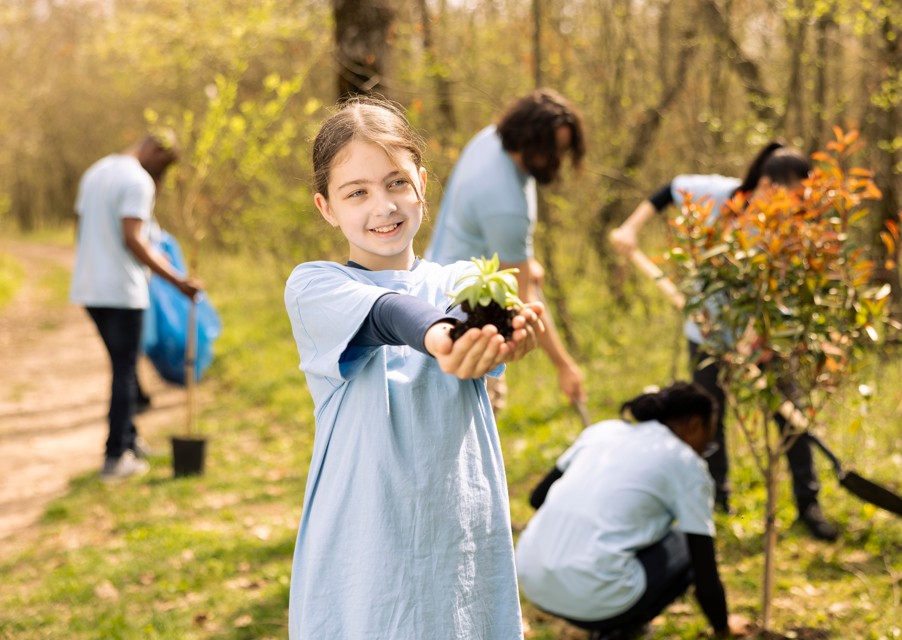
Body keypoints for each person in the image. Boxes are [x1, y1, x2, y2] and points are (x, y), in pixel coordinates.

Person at [283, 97, 546, 639]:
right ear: (326, 207)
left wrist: (511, 335)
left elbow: (478, 312)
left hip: (459, 540)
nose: (383, 206)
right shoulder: (315, 286)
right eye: (357, 192)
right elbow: (388, 314)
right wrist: (440, 337)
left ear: (422, 184)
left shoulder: (461, 279)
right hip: (366, 548)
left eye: (396, 182)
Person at [609, 142, 838, 541]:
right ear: (766, 185)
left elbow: (785, 290)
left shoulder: (788, 230)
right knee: (708, 416)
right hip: (707, 334)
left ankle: (809, 503)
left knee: (790, 416)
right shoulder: (720, 196)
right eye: (791, 196)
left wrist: (757, 340)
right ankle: (717, 499)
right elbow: (669, 189)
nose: (795, 208)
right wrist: (630, 228)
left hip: (765, 336)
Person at [515, 382, 753, 640]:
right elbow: (705, 574)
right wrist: (723, 628)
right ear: (694, 425)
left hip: (531, 579)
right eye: (708, 441)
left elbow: (537, 498)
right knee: (686, 544)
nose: (705, 448)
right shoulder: (685, 463)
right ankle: (619, 629)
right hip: (592, 598)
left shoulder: (603, 431)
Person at [425, 88, 587, 410]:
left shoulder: (491, 140)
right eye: (553, 150)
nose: (557, 160)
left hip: (433, 280)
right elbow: (525, 300)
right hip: (468, 322)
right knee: (481, 414)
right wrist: (564, 365)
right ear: (530, 142)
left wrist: (525, 259)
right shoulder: (507, 206)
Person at [70, 133, 202, 483]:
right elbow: (134, 238)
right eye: (162, 167)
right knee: (125, 371)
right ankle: (116, 457)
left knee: (121, 366)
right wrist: (178, 281)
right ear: (154, 150)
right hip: (121, 292)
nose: (160, 176)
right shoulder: (137, 181)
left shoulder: (96, 171)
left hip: (89, 290)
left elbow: (80, 229)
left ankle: (129, 439)